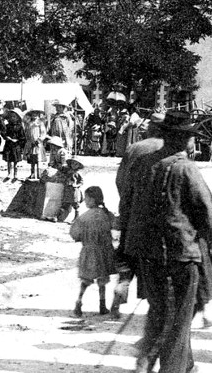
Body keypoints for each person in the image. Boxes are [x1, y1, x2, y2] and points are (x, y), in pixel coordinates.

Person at [122, 111, 212, 373]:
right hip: (179, 257)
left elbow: (127, 206)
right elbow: (207, 211)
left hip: (148, 256)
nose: (193, 143)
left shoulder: (143, 164)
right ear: (183, 139)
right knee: (177, 323)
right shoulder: (185, 168)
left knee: (160, 313)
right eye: (191, 137)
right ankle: (169, 368)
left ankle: (181, 366)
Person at [111, 112, 165, 319]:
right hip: (156, 218)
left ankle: (120, 292)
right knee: (153, 263)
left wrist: (128, 203)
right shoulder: (168, 149)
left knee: (127, 257)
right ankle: (155, 309)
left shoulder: (134, 148)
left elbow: (120, 180)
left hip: (131, 214)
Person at [70, 186, 115, 317]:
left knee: (86, 279)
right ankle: (102, 305)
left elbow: (75, 234)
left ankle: (79, 302)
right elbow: (116, 226)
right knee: (102, 279)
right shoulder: (107, 215)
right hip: (104, 251)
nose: (85, 201)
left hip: (88, 251)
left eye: (86, 198)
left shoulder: (83, 217)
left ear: (92, 200)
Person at [55, 158, 85, 223]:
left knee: (75, 204)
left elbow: (81, 182)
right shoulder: (68, 171)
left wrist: (76, 185)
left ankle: (76, 217)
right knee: (65, 203)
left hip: (74, 191)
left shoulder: (78, 173)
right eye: (73, 163)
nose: (74, 165)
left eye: (76, 164)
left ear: (79, 166)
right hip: (67, 189)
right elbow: (62, 170)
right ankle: (60, 217)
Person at [2, 110, 26, 182]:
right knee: (8, 160)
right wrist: (7, 137)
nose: (12, 118)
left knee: (15, 160)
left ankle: (15, 174)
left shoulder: (20, 127)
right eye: (11, 117)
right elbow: (3, 133)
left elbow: (23, 137)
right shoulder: (7, 126)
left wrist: (18, 140)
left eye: (14, 117)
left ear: (17, 118)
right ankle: (9, 173)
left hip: (16, 145)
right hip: (9, 144)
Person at [24, 110, 47, 180]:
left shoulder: (40, 123)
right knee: (32, 159)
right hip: (31, 143)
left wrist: (39, 140)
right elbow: (27, 133)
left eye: (36, 114)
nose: (34, 115)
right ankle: (32, 173)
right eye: (33, 114)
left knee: (38, 158)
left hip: (38, 143)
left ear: (38, 115)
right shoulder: (29, 123)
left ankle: (39, 174)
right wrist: (29, 141)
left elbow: (43, 133)